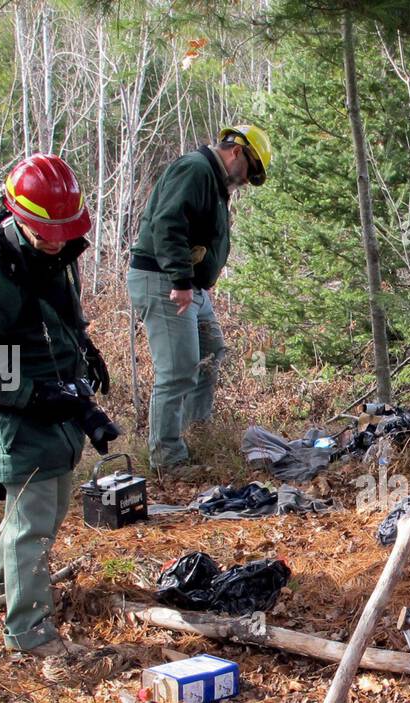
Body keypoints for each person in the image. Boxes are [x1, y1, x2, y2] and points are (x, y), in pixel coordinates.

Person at [0, 154, 119, 658]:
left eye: (66, 230)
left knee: (46, 508)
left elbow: (56, 319)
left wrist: (84, 352)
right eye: (48, 230)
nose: (59, 240)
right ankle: (30, 632)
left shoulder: (52, 256)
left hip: (56, 407)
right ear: (18, 216)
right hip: (16, 417)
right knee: (33, 523)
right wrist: (32, 393)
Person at [127, 123, 270, 480]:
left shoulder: (213, 180)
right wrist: (180, 279)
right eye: (249, 170)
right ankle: (167, 459)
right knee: (178, 368)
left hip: (189, 285)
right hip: (165, 281)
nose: (246, 180)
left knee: (210, 350)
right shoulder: (195, 169)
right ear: (236, 151)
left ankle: (196, 430)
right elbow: (167, 223)